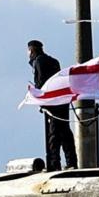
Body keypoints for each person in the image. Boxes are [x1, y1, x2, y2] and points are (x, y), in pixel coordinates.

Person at [27, 39, 72, 169]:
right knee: (65, 132)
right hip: (62, 100)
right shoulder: (54, 60)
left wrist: (41, 100)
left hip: (52, 102)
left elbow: (42, 82)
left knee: (54, 134)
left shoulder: (39, 61)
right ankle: (71, 162)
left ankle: (54, 164)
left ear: (31, 50)